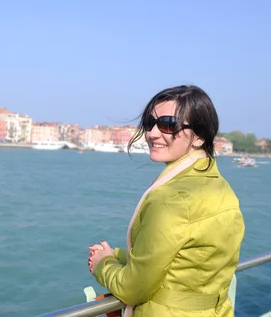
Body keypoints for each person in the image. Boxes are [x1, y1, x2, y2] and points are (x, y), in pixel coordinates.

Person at [87, 85, 245, 317]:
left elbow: (132, 289)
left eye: (168, 124)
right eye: (150, 123)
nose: (151, 133)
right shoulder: (220, 187)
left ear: (199, 136)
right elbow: (185, 262)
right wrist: (117, 254)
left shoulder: (170, 198)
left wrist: (103, 264)